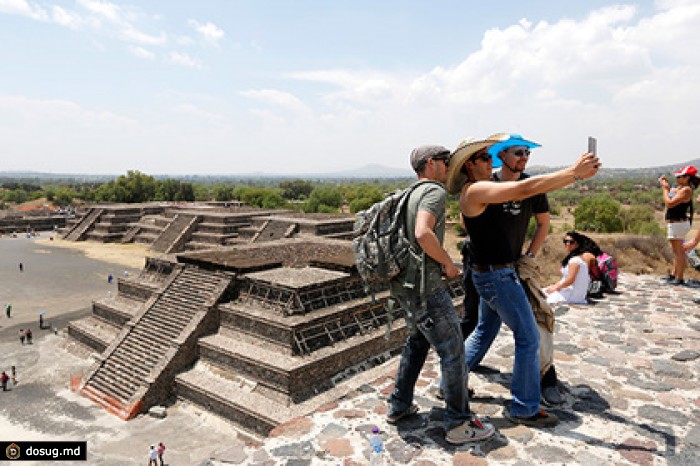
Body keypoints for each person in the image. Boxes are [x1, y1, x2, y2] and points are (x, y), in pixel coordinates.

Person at [445, 134, 599, 427]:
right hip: (497, 275)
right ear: (469, 165)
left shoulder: (475, 190)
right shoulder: (475, 190)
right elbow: (525, 187)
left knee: (483, 331)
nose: (490, 161)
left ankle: (449, 385)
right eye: (485, 158)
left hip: (490, 272)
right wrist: (572, 173)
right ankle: (524, 407)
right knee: (528, 337)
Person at [386, 145, 495, 445]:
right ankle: (459, 423)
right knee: (454, 351)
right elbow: (423, 233)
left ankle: (399, 404)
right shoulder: (433, 192)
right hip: (429, 287)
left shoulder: (407, 194)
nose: (449, 167)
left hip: (407, 287)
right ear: (430, 164)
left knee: (417, 343)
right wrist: (447, 263)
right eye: (446, 162)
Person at [660, 166, 700, 285]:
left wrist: (665, 190)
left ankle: (679, 277)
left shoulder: (686, 190)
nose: (677, 178)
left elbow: (669, 203)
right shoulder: (681, 188)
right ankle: (674, 274)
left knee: (679, 252)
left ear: (687, 178)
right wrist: (668, 187)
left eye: (679, 176)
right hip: (676, 223)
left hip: (679, 223)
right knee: (676, 251)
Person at [544, 231, 596, 304]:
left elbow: (570, 280)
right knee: (542, 291)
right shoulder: (575, 258)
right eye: (566, 241)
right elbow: (565, 279)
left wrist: (556, 288)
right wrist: (555, 286)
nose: (568, 244)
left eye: (571, 242)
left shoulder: (575, 261)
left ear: (577, 244)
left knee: (543, 299)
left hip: (573, 295)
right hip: (572, 291)